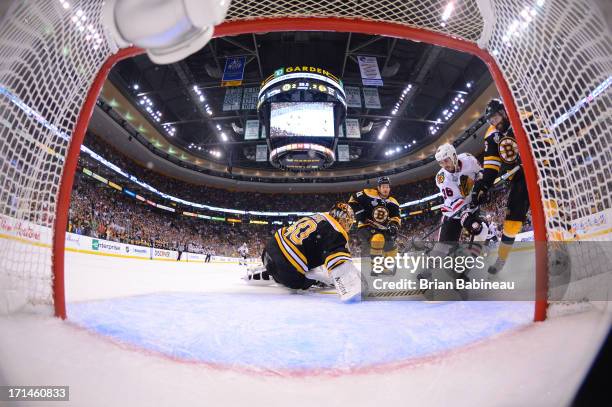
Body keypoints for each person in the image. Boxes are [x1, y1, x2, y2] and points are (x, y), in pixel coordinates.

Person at [244, 203, 361, 302]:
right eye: (347, 221)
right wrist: (350, 287)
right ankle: (310, 279)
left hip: (269, 250)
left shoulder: (318, 216)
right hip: (289, 272)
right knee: (322, 272)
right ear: (342, 219)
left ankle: (270, 270)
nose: (348, 225)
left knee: (310, 254)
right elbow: (338, 262)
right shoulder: (336, 231)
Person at [471, 99, 530, 274]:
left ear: (504, 112)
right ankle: (501, 260)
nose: (494, 123)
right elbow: (490, 167)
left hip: (542, 170)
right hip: (519, 179)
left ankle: (564, 247)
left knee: (551, 210)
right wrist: (482, 187)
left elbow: (544, 141)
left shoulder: (523, 117)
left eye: (495, 118)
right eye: (491, 121)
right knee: (511, 224)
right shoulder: (491, 135)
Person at [348, 176, 401, 275]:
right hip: (365, 226)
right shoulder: (368, 193)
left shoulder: (393, 202)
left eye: (387, 187)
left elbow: (396, 217)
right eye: (383, 186)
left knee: (393, 248)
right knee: (378, 239)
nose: (386, 189)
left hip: (382, 229)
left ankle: (384, 268)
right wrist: (359, 212)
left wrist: (393, 226)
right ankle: (376, 268)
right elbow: (352, 200)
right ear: (379, 187)